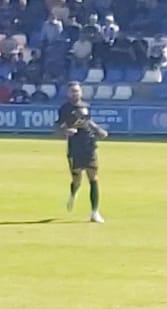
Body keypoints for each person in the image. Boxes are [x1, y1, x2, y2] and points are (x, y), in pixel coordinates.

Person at [56, 81, 107, 222]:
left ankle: (95, 212)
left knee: (93, 177)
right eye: (72, 91)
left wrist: (98, 130)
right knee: (77, 179)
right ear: (67, 93)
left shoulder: (86, 107)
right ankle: (73, 193)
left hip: (89, 144)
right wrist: (66, 131)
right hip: (75, 147)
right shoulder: (64, 109)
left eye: (77, 91)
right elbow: (58, 127)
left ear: (81, 92)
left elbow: (88, 122)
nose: (75, 93)